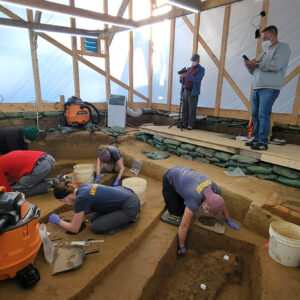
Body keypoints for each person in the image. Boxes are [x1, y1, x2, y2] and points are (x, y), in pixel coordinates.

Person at [160, 167, 239, 255]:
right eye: (210, 211)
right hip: (171, 175)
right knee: (177, 211)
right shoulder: (194, 198)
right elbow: (184, 225)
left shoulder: (215, 189)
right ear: (205, 203)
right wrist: (181, 246)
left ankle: (179, 198)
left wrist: (229, 219)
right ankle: (173, 207)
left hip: (187, 174)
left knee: (186, 205)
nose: (211, 213)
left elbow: (221, 204)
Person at [244, 25, 291, 150]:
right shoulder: (264, 52)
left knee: (263, 114)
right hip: (257, 86)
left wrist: (258, 62)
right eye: (262, 38)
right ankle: (256, 138)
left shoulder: (283, 48)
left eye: (265, 38)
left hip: (270, 87)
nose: (263, 40)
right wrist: (250, 66)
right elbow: (255, 71)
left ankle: (263, 142)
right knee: (255, 114)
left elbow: (276, 65)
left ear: (274, 35)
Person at [49, 179, 140, 234]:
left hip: (130, 206)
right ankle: (120, 215)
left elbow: (74, 229)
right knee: (93, 219)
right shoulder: (81, 188)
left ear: (62, 199)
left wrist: (58, 221)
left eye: (62, 201)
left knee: (96, 227)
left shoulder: (81, 199)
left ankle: (131, 218)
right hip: (126, 193)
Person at [179, 54, 205, 130]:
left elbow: (197, 80)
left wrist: (187, 76)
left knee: (192, 109)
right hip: (185, 91)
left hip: (193, 92)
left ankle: (190, 125)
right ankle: (184, 124)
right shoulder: (188, 69)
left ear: (198, 60)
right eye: (192, 60)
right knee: (184, 109)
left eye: (195, 60)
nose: (193, 62)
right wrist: (181, 78)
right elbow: (182, 81)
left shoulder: (201, 69)